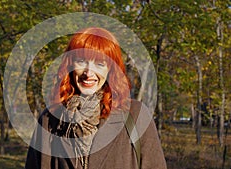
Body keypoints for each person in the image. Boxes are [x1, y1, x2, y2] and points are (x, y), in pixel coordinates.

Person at [25, 27, 167, 169]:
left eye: (99, 64)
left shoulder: (136, 115)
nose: (88, 73)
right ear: (70, 65)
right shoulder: (50, 120)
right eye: (81, 61)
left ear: (111, 69)